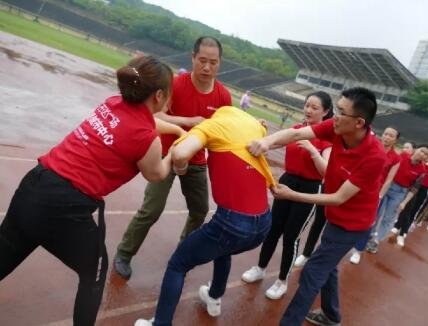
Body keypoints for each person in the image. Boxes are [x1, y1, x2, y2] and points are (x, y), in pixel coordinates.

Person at [0, 56, 179, 326]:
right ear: (159, 95)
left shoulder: (113, 103)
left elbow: (145, 123)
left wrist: (177, 127)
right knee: (95, 273)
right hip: (64, 208)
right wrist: (174, 153)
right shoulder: (147, 140)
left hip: (34, 184)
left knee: (8, 251)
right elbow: (156, 173)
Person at [247, 87, 386, 326]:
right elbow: (295, 134)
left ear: (359, 122)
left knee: (313, 271)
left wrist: (292, 195)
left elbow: (339, 197)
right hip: (336, 216)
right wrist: (266, 141)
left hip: (352, 224)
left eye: (341, 112)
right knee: (327, 266)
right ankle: (332, 315)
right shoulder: (337, 129)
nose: (335, 116)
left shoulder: (375, 157)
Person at [134, 106, 275, 326]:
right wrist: (259, 124)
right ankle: (214, 296)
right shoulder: (252, 126)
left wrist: (180, 167)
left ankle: (160, 323)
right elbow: (262, 129)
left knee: (178, 264)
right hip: (263, 223)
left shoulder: (211, 125)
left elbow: (181, 153)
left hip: (233, 222)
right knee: (223, 249)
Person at [114, 36, 232, 279]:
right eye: (202, 61)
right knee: (151, 209)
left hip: (196, 161)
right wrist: (188, 122)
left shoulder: (223, 97)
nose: (207, 67)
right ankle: (124, 254)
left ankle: (182, 254)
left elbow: (223, 131)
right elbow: (155, 115)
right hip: (166, 155)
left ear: (220, 63)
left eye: (213, 62)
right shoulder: (175, 85)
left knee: (199, 211)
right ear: (192, 58)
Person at [241, 91, 333, 300]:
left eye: (315, 107)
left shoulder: (326, 139)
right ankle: (260, 268)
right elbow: (272, 143)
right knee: (272, 229)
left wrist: (312, 150)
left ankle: (282, 280)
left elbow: (326, 172)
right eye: (307, 105)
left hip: (309, 188)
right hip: (287, 181)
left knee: (291, 236)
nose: (308, 110)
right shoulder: (296, 130)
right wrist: (259, 135)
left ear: (326, 112)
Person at [348, 126, 401, 264]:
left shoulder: (395, 158)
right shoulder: (372, 147)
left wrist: (379, 196)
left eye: (391, 136)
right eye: (386, 134)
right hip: (359, 187)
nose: (387, 137)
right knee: (350, 215)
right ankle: (345, 241)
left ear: (396, 140)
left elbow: (389, 178)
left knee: (369, 223)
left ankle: (358, 250)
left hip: (375, 193)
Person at [366, 144, 428, 254]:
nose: (423, 154)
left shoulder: (422, 170)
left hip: (400, 193)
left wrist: (404, 202)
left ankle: (375, 241)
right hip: (388, 185)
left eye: (426, 154)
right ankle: (369, 234)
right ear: (415, 150)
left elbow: (414, 188)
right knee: (377, 212)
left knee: (388, 218)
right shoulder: (402, 156)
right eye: (422, 151)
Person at [392, 150, 428, 246]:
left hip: (423, 190)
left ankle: (403, 232)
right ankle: (397, 226)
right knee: (407, 209)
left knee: (413, 211)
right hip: (413, 188)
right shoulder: (419, 163)